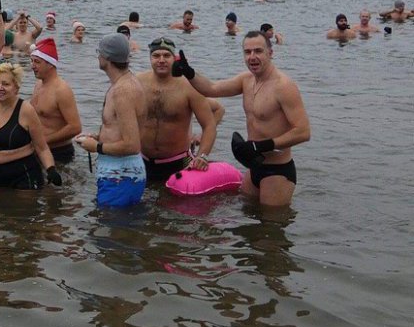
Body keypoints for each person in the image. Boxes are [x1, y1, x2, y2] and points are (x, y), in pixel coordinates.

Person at [176, 31, 311, 206]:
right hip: (254, 167)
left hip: (277, 171)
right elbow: (212, 88)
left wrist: (261, 145)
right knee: (248, 218)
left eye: (258, 51)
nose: (252, 57)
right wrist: (189, 72)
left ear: (270, 53)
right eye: (247, 52)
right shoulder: (246, 80)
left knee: (270, 227)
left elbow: (303, 132)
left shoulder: (284, 87)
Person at [74, 33, 147, 207]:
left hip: (121, 176)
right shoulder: (124, 83)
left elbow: (132, 145)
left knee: (111, 230)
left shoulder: (123, 91)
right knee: (116, 229)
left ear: (106, 57)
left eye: (99, 52)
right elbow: (123, 130)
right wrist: (97, 136)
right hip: (119, 174)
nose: (97, 56)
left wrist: (96, 147)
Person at [136, 37, 217, 181]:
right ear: (150, 58)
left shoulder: (190, 87)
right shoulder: (137, 82)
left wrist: (202, 156)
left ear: (174, 58)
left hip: (178, 161)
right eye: (156, 55)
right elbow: (118, 117)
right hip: (141, 160)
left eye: (166, 55)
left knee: (176, 202)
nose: (161, 60)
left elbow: (209, 125)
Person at [29, 38, 82, 164]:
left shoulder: (62, 90)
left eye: (37, 62)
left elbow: (75, 127)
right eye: (31, 61)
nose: (32, 66)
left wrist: (44, 140)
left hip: (59, 152)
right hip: (38, 149)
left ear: (50, 64)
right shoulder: (38, 84)